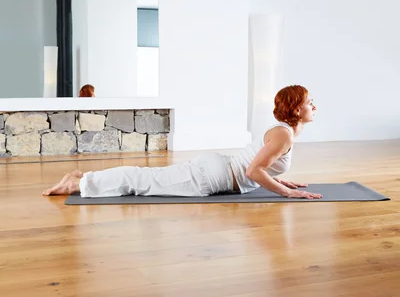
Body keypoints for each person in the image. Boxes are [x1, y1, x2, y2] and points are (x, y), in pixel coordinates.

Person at [43, 85, 322, 200]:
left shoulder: (283, 132)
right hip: (214, 177)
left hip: (216, 168)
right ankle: (79, 184)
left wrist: (282, 182)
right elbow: (253, 171)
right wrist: (288, 194)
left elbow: (260, 165)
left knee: (146, 177)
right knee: (143, 182)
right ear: (296, 110)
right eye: (310, 102)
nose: (314, 106)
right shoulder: (284, 134)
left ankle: (84, 178)